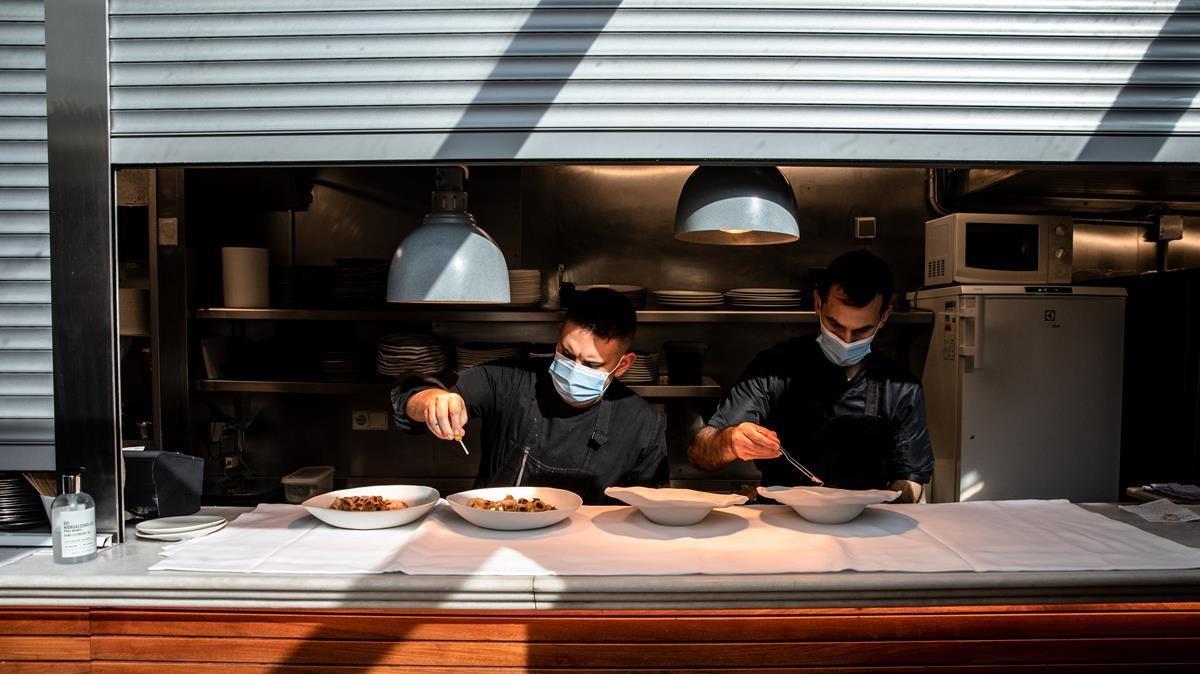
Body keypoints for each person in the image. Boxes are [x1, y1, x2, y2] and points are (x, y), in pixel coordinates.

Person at [688, 250, 933, 503]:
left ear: (884, 317)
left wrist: (888, 505)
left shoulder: (901, 387)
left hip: (865, 523)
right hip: (780, 520)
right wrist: (730, 441)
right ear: (818, 303)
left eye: (862, 331)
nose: (846, 341)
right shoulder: (775, 367)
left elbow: (911, 477)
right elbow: (700, 452)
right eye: (835, 325)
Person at [391, 288, 667, 504]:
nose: (575, 370)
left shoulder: (642, 424)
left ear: (625, 364)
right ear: (558, 336)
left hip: (583, 557)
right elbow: (409, 395)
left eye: (592, 365)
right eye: (568, 354)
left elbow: (648, 510)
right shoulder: (508, 380)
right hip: (495, 535)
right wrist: (431, 400)